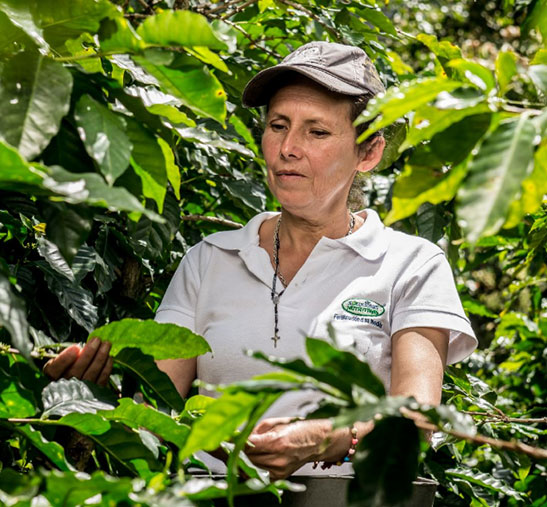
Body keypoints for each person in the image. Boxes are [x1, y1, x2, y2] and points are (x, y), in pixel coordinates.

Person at [45, 41, 477, 482]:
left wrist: (330, 437)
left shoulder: (410, 264)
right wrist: (90, 394)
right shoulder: (209, 260)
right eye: (278, 125)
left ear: (368, 153)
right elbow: (157, 411)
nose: (288, 148)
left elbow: (418, 419)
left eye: (317, 132)